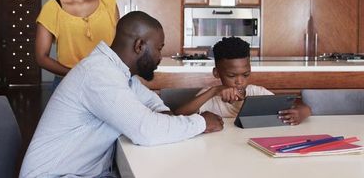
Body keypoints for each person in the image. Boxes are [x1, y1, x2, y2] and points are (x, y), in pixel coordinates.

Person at [19, 11, 224, 178]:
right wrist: (201, 122)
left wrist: (165, 119)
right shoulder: (99, 75)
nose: (160, 57)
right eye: (159, 49)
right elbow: (147, 131)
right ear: (139, 46)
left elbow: (157, 107)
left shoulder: (120, 75)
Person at [35, 0, 120, 90]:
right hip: (68, 84)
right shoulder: (53, 8)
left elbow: (119, 45)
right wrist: (77, 74)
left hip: (106, 83)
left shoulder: (109, 2)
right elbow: (41, 57)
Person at [174, 37, 311, 125]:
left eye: (245, 75)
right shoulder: (210, 96)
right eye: (232, 76)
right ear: (217, 73)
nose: (240, 82)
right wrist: (214, 90)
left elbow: (303, 108)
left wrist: (301, 113)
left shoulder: (257, 92)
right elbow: (178, 115)